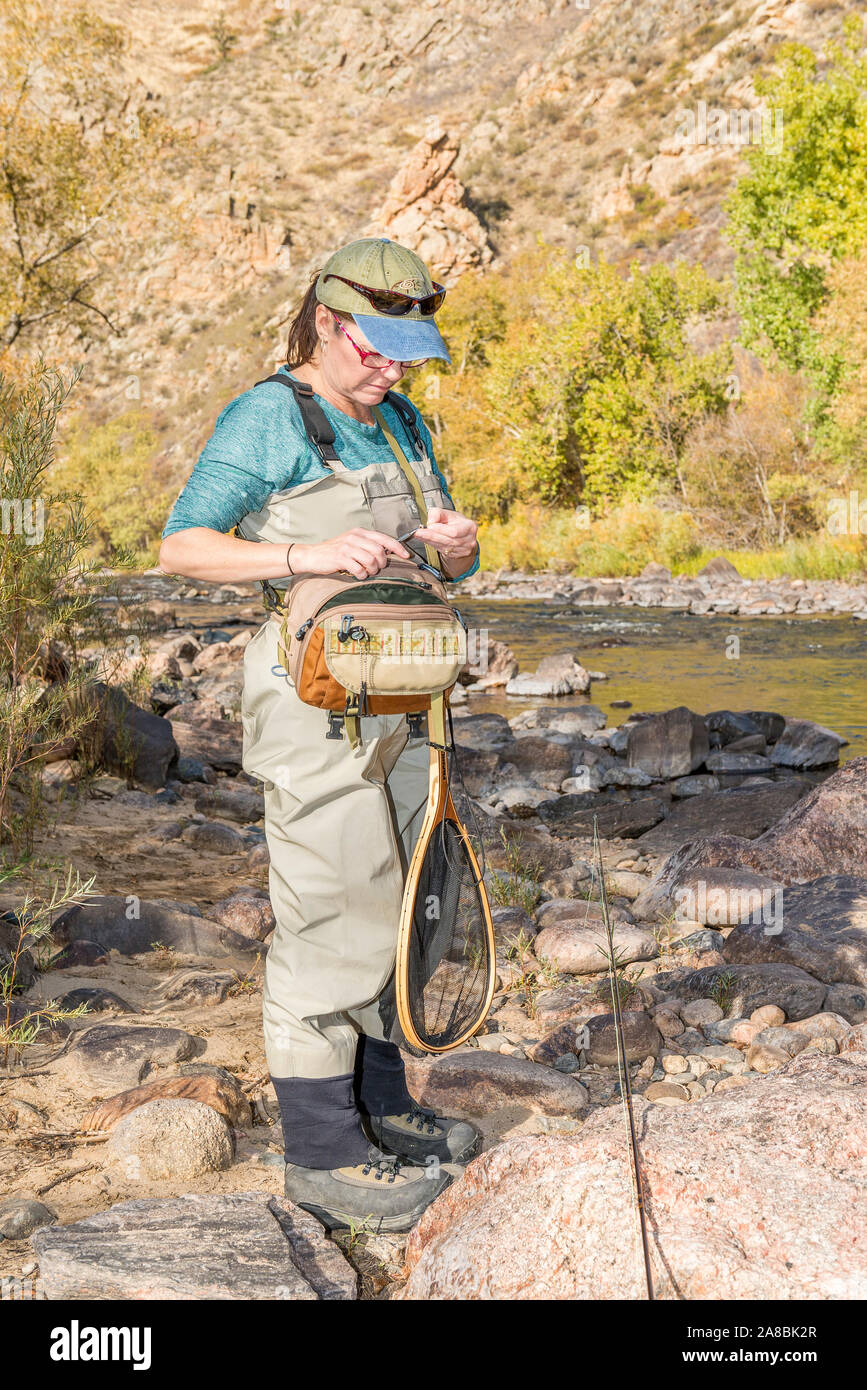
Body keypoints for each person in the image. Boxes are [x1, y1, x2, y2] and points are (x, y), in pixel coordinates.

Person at [159, 237, 483, 1232]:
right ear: (329, 323)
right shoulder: (274, 415)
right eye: (377, 348)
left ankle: (382, 1105)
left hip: (407, 695)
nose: (392, 369)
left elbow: (445, 563)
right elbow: (180, 546)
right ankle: (322, 1148)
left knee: (402, 903)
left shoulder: (401, 423)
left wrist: (462, 552)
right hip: (312, 706)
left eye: (406, 351)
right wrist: (304, 549)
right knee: (332, 907)